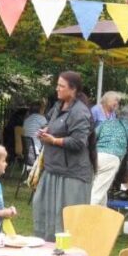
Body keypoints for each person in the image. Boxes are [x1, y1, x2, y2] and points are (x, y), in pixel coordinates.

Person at [32, 71, 95, 242]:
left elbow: (78, 143)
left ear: (73, 89)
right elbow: (53, 124)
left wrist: (53, 140)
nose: (57, 89)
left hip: (72, 175)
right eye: (57, 85)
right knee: (44, 212)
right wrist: (46, 130)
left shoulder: (80, 112)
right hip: (53, 170)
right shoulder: (59, 106)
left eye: (61, 86)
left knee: (67, 222)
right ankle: (48, 252)